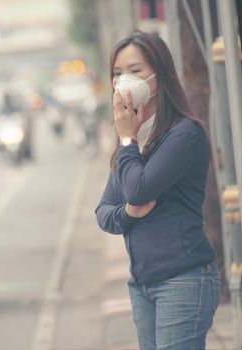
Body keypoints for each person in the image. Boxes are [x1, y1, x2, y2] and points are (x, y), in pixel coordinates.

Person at [95, 30, 220, 350]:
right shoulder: (133, 140)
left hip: (183, 279)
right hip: (142, 284)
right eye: (117, 73)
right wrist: (128, 212)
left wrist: (127, 140)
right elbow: (105, 212)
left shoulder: (184, 134)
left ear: (159, 75)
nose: (124, 80)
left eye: (135, 71)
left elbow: (137, 189)